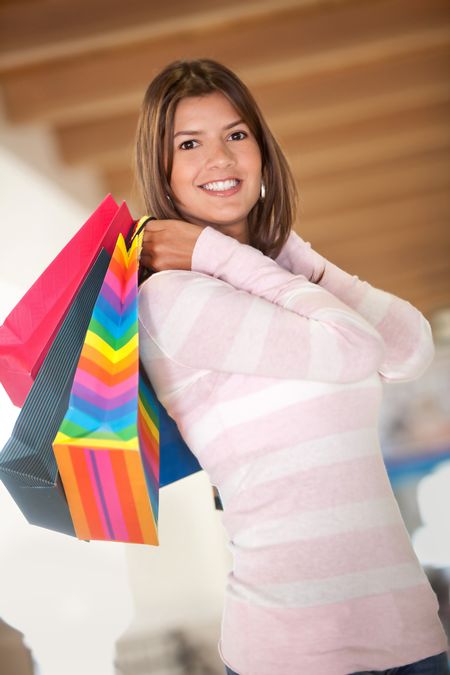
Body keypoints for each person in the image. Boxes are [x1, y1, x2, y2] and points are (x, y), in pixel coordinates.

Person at [134, 59, 449, 675]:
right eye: (189, 143)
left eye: (236, 134)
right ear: (164, 174)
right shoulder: (170, 299)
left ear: (262, 153)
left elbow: (410, 349)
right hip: (295, 651)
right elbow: (355, 349)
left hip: (412, 634)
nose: (219, 158)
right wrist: (212, 251)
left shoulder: (277, 275)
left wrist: (281, 246)